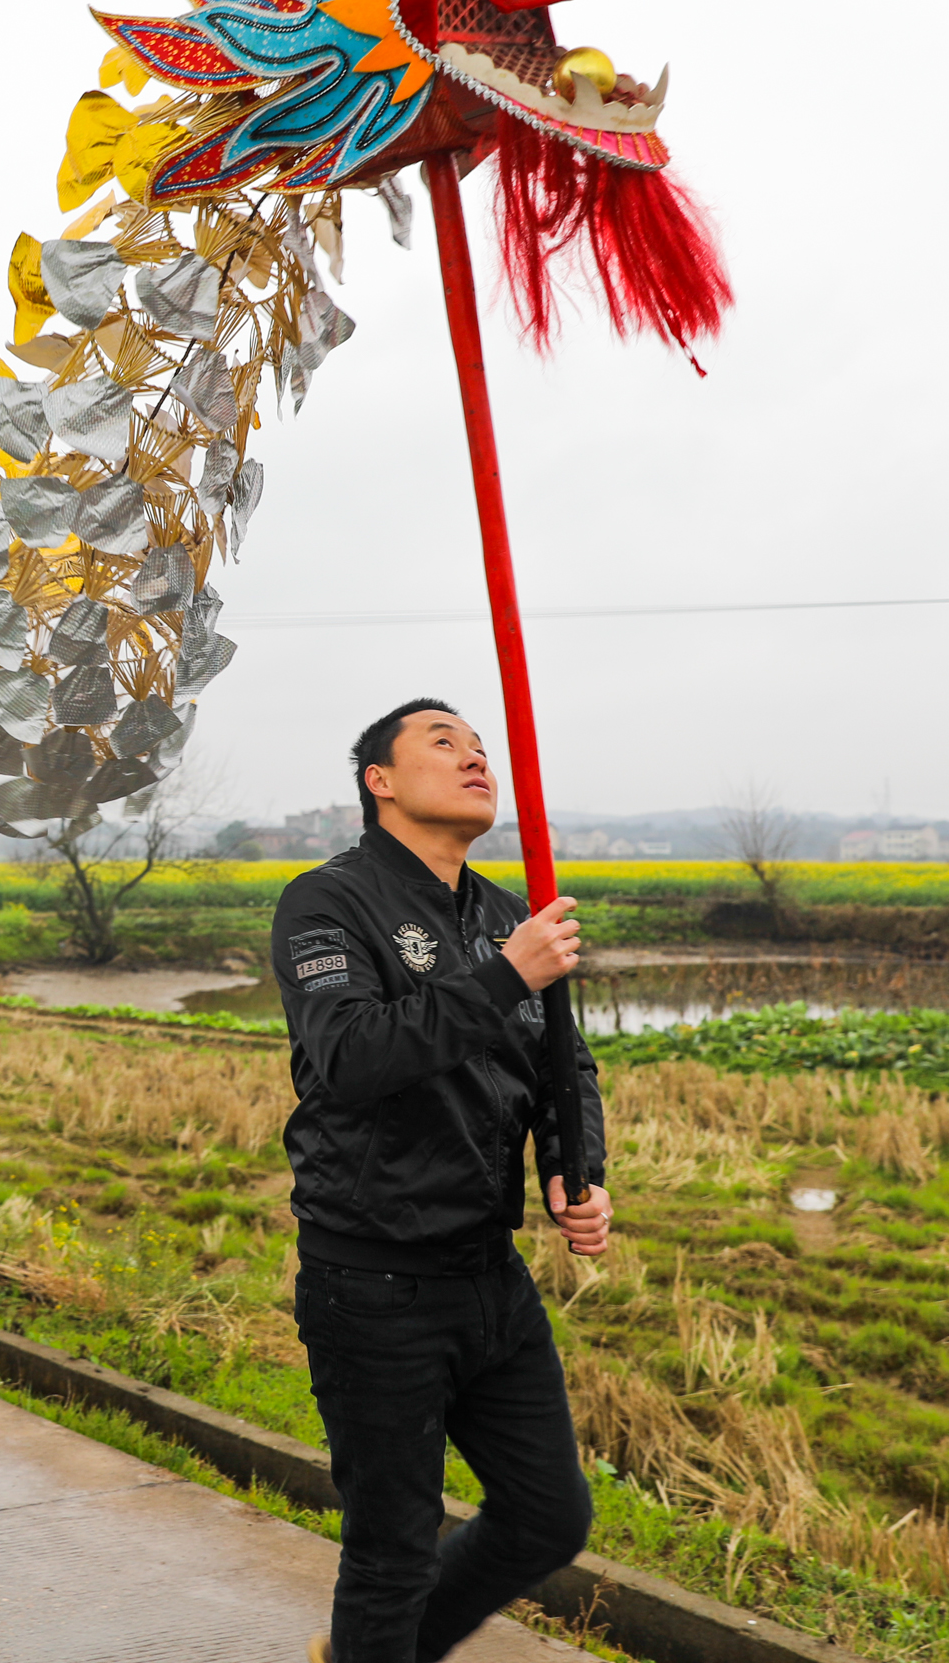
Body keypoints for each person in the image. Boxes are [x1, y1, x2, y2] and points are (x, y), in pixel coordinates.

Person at [274, 700, 607, 1663]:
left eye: (480, 745)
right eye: (443, 742)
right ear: (379, 780)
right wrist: (506, 976)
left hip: (487, 1272)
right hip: (372, 1281)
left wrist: (570, 1167)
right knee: (391, 1553)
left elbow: (565, 1065)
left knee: (548, 1517)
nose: (475, 757)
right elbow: (351, 1053)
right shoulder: (327, 902)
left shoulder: (507, 913)